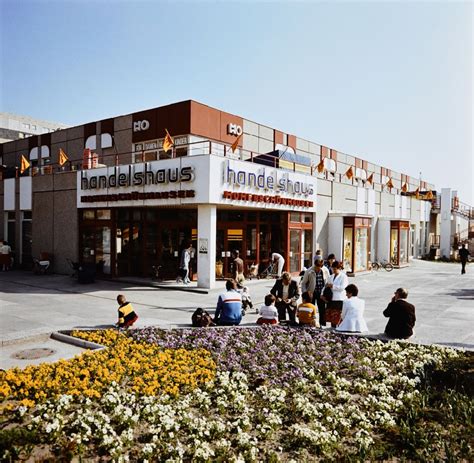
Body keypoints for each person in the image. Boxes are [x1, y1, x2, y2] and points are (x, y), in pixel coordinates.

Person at [301, 258, 330, 326]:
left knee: (322, 310)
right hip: (311, 293)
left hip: (321, 293)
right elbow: (304, 283)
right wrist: (305, 293)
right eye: (317, 268)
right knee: (311, 309)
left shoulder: (325, 270)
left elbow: (328, 280)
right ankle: (311, 324)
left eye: (320, 268)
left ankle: (322, 325)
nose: (318, 269)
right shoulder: (309, 271)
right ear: (315, 265)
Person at [324, 261, 349, 328]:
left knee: (338, 316)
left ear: (339, 268)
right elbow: (326, 286)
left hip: (339, 299)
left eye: (335, 269)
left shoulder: (343, 277)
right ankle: (333, 329)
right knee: (332, 316)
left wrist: (333, 286)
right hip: (331, 298)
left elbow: (343, 287)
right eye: (333, 269)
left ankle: (340, 329)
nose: (333, 270)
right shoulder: (331, 276)